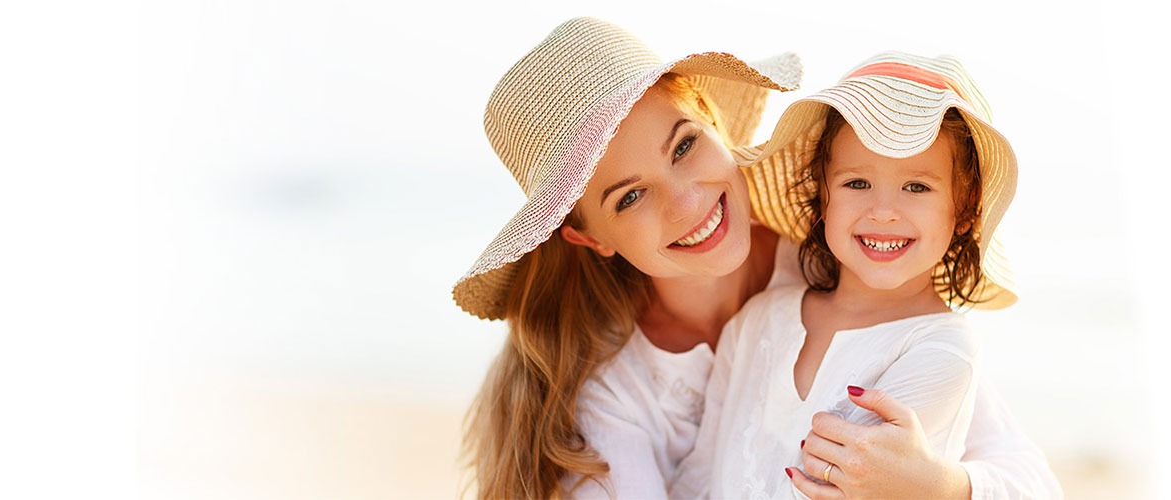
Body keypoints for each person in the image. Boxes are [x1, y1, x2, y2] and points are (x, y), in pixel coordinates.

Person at [453, 17, 1060, 499]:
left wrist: (944, 488)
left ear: (716, 126)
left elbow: (1029, 478)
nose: (686, 201)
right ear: (590, 237)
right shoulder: (614, 387)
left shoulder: (854, 270)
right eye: (631, 196)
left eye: (685, 145)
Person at [672, 52, 1022, 499]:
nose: (883, 211)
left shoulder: (942, 349)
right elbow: (699, 477)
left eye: (917, 186)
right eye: (857, 183)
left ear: (965, 210)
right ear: (823, 198)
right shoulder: (757, 318)